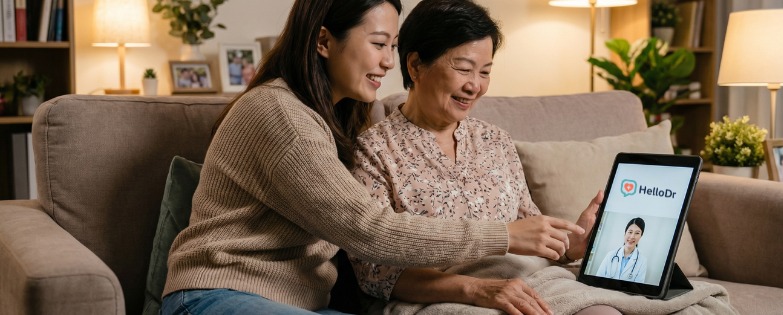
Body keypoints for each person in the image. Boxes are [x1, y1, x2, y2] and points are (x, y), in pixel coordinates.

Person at [160, 1, 583, 314]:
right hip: (218, 296)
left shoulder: (336, 118)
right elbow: (368, 230)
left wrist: (571, 242)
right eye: (379, 44)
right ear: (324, 40)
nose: (388, 61)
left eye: (392, 45)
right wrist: (503, 235)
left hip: (297, 303)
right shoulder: (280, 114)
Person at [348, 1, 616, 314]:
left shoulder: (495, 140)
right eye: (463, 69)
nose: (475, 86)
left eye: (485, 72)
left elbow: (529, 233)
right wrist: (479, 290)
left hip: (528, 281)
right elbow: (375, 273)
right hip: (443, 297)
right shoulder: (374, 151)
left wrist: (572, 246)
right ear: (416, 66)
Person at [595, 218, 648, 283]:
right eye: (630, 232)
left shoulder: (642, 261)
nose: (632, 236)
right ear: (625, 233)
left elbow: (638, 287)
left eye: (637, 233)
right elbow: (597, 280)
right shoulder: (610, 255)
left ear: (641, 236)